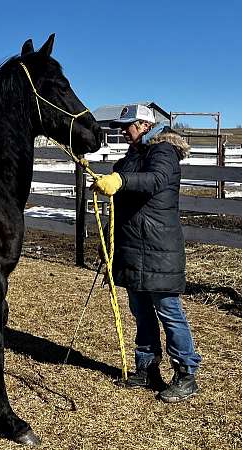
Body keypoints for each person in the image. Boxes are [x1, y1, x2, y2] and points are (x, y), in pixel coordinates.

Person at [91, 104, 201, 403]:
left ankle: (186, 373)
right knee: (140, 310)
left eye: (127, 126)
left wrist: (121, 181)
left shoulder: (163, 151)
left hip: (158, 247)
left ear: (143, 124)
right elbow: (119, 198)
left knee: (169, 312)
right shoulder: (132, 156)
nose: (123, 131)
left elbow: (154, 181)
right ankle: (147, 367)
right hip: (132, 246)